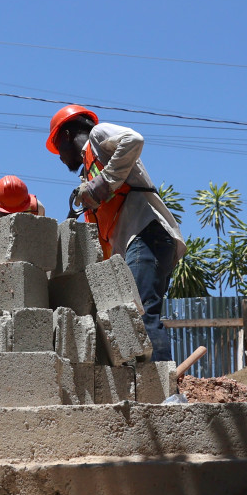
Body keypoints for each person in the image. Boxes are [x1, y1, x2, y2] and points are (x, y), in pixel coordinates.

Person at [46, 104, 185, 362]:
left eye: (57, 146)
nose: (60, 157)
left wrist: (104, 182)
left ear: (66, 135)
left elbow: (134, 139)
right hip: (136, 244)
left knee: (141, 315)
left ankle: (162, 385)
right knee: (133, 319)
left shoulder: (98, 136)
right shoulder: (88, 178)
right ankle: (148, 382)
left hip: (146, 234)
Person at [0, 175, 46, 240]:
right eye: (6, 213)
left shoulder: (35, 207)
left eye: (18, 211)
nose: (12, 216)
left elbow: (41, 234)